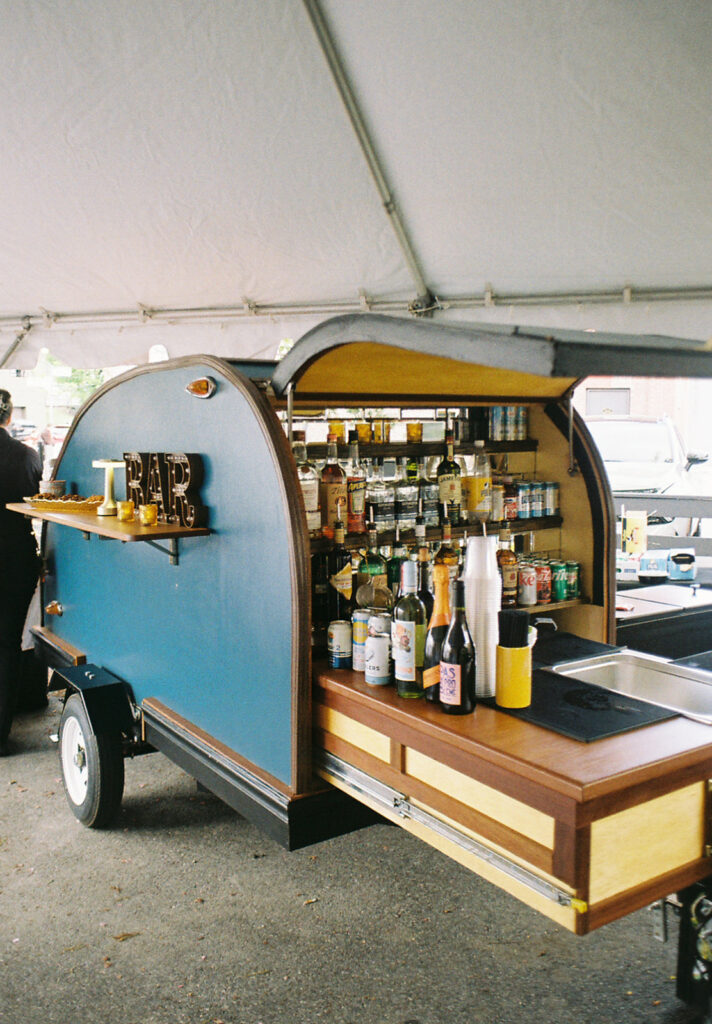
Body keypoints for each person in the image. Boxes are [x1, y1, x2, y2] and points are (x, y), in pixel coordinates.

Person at [0, 390, 42, 755]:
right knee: (6, 642)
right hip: (13, 557)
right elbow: (33, 505)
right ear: (9, 418)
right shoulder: (26, 455)